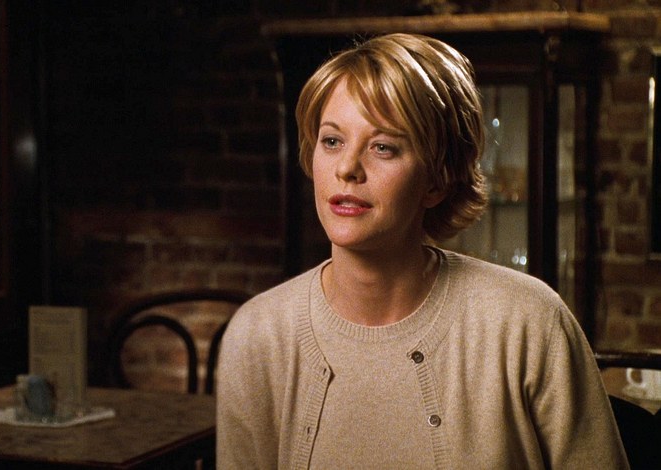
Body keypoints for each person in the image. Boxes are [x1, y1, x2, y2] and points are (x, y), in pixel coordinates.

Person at [216, 33, 627, 469]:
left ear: (437, 179)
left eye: (383, 147)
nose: (347, 168)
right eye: (332, 141)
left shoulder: (529, 324)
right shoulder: (257, 336)